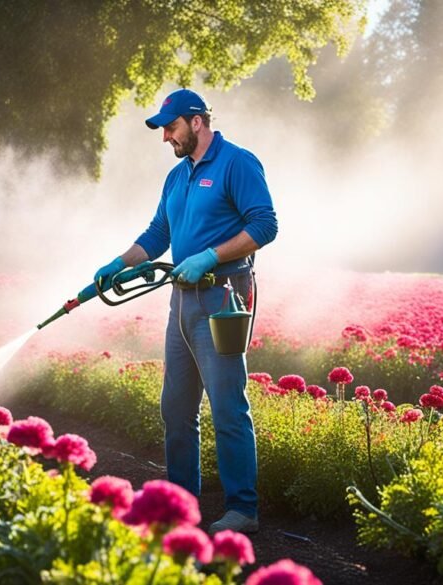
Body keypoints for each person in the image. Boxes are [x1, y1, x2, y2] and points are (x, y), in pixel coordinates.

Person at [93, 88, 277, 534]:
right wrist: (120, 264)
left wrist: (211, 256)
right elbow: (158, 233)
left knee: (227, 406)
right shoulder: (178, 177)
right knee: (176, 409)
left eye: (170, 128)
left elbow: (265, 225)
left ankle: (242, 510)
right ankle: (180, 506)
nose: (165, 138)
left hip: (223, 298)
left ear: (197, 122)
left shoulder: (237, 162)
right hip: (181, 300)